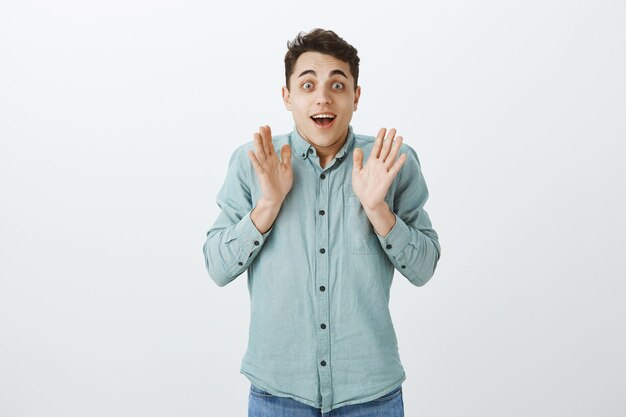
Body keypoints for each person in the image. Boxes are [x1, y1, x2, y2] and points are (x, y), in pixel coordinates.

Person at [203, 28, 441, 417]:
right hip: (277, 394)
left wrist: (379, 210)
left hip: (371, 395)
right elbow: (217, 266)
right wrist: (268, 204)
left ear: (356, 96)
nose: (323, 97)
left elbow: (424, 268)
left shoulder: (391, 162)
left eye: (337, 84)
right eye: (308, 84)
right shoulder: (254, 161)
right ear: (287, 96)